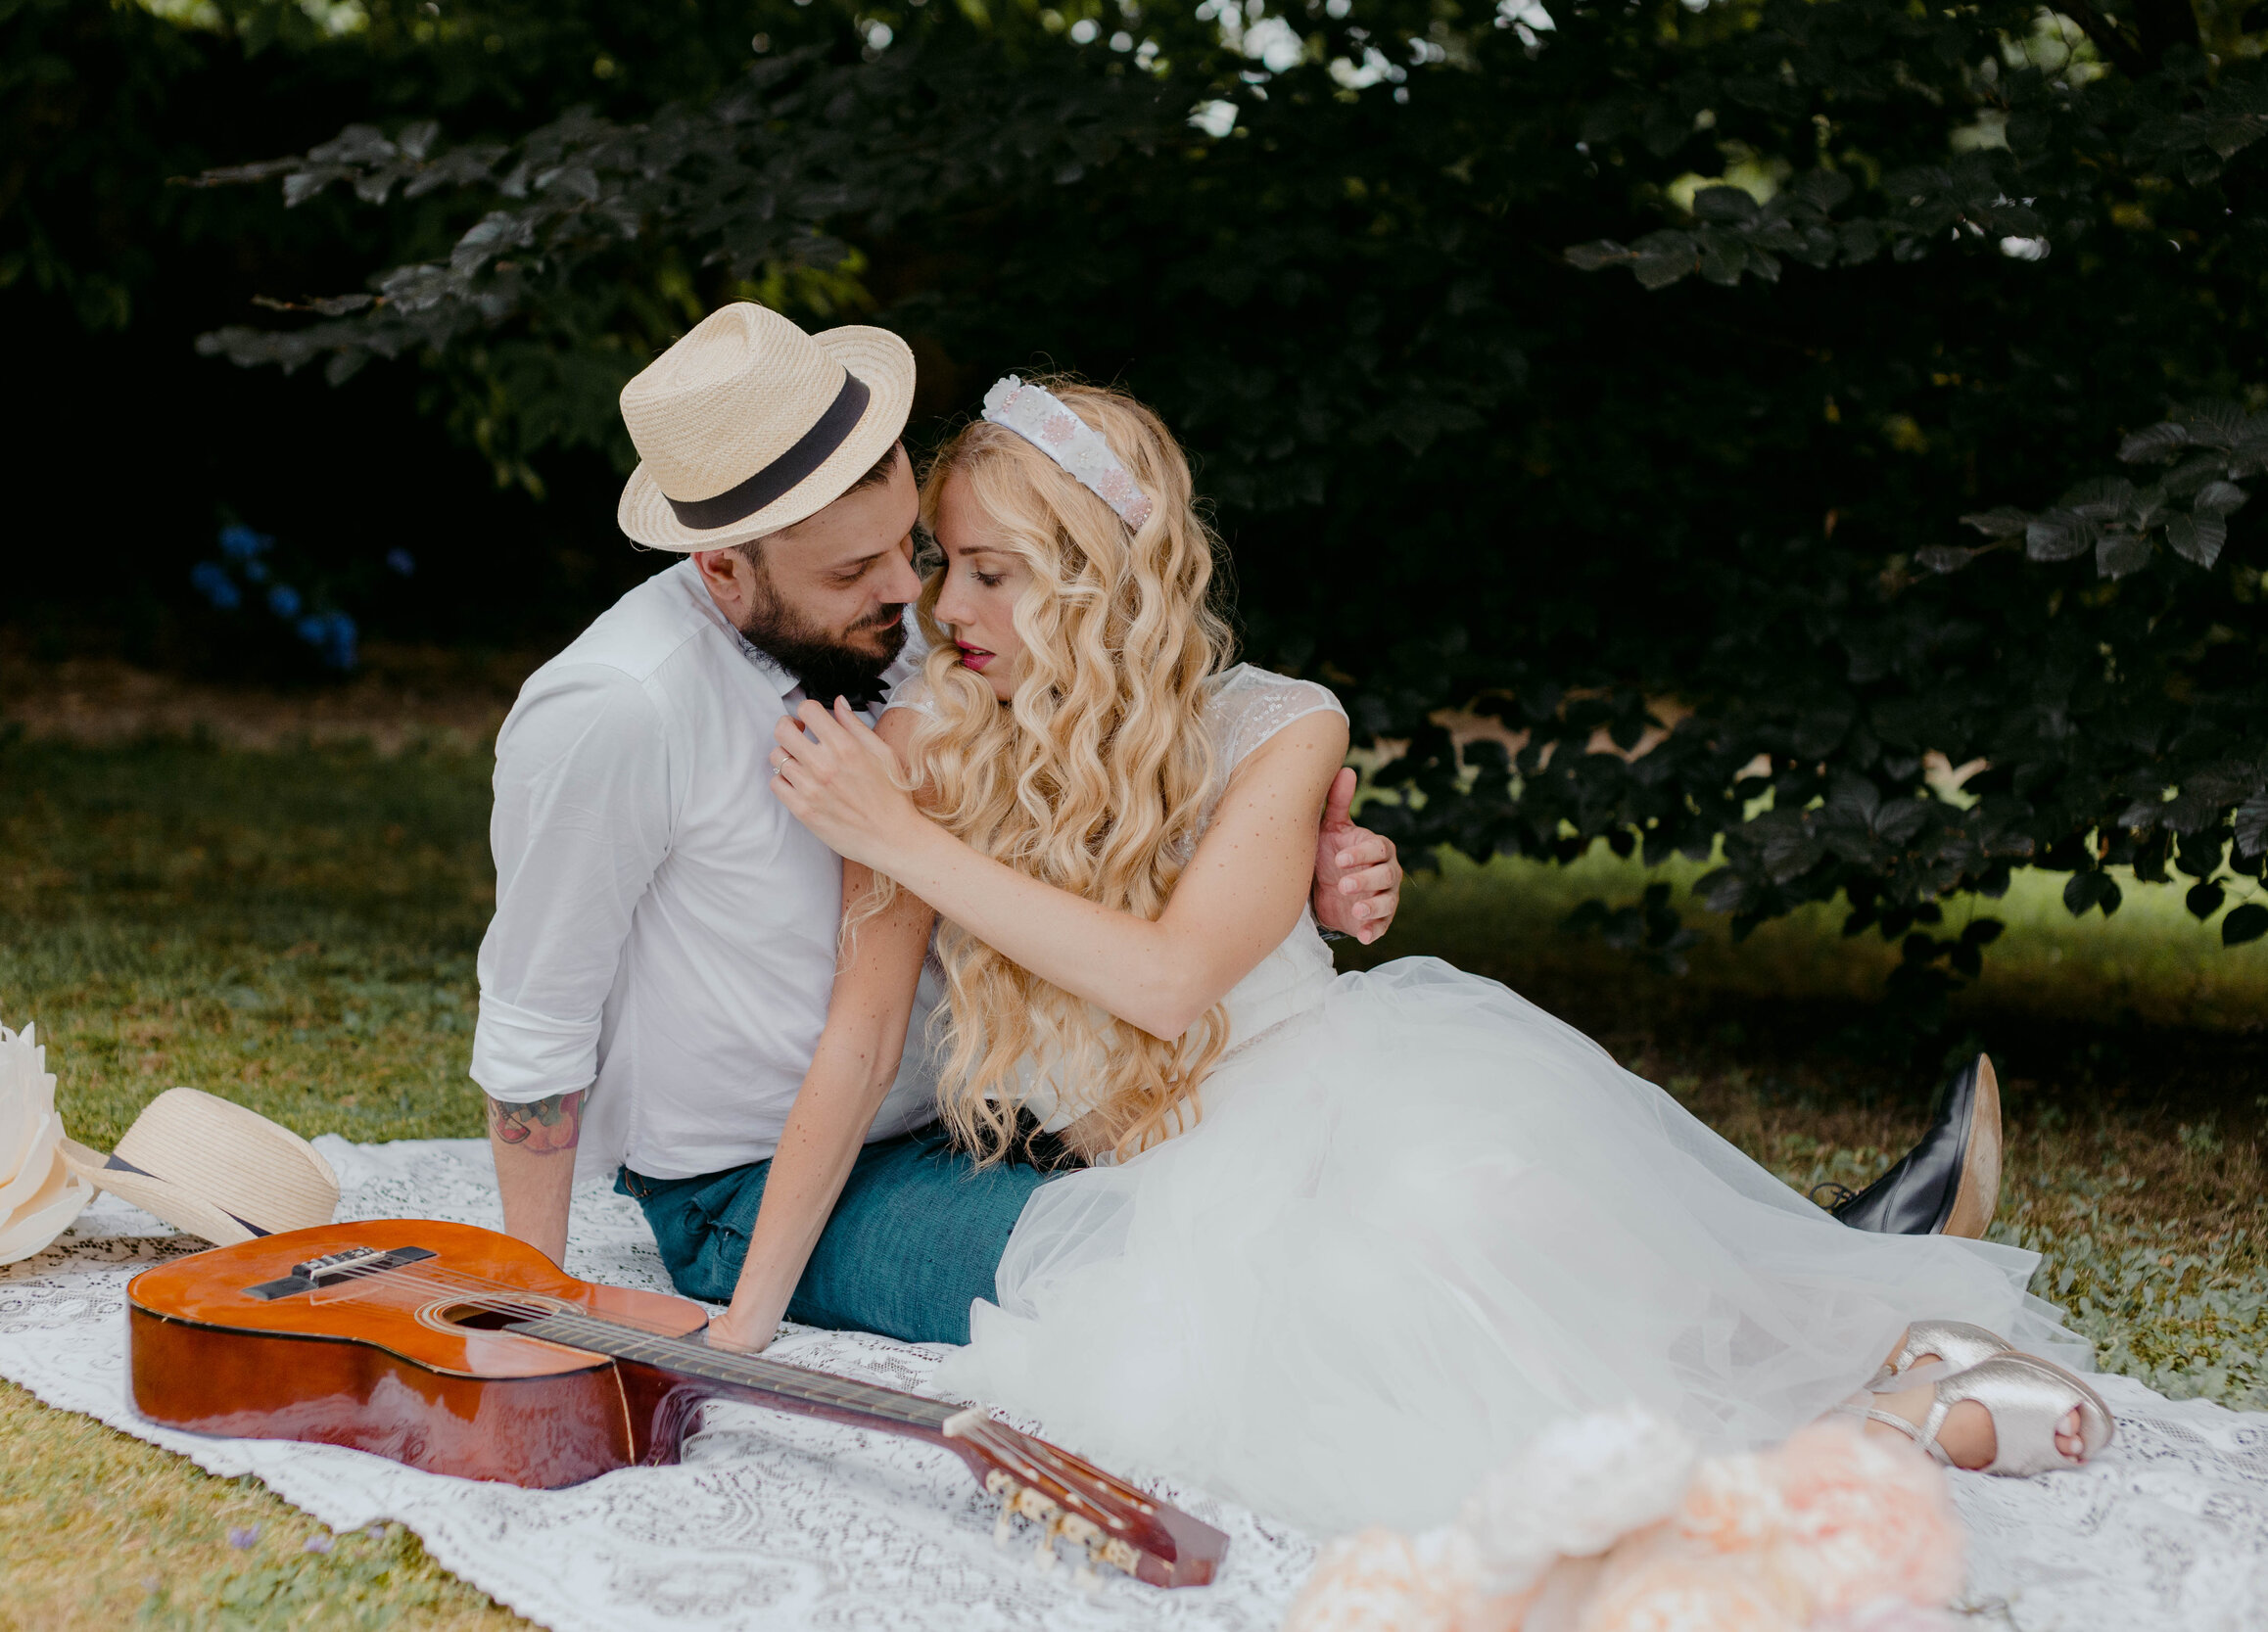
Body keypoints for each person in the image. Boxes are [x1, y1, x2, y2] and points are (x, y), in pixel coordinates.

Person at [762, 374, 2116, 1538]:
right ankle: (1873, 1390)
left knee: (1480, 1205)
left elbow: (1169, 982)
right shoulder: (918, 758)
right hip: (1175, 1197)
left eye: (991, 569)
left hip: (1358, 1088)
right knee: (1382, 1356)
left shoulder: (1278, 726)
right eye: (943, 562)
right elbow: (865, 1034)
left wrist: (913, 847)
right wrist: (745, 1315)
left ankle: (1876, 1351)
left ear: (1104, 574)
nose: (947, 607)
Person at [469, 303, 1408, 1352]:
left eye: (911, 548)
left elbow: (1110, 777)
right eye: (851, 572)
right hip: (763, 1176)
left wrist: (1274, 870)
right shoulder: (619, 707)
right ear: (724, 569)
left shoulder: (929, 643)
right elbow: (534, 1019)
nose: (913, 598)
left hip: (992, 1131)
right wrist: (538, 1303)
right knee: (1161, 1280)